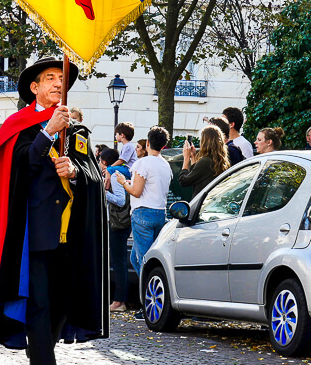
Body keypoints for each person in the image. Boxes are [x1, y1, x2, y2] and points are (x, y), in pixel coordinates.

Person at [0, 57, 107, 365]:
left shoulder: (77, 130)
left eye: (60, 79)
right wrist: (48, 131)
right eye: (49, 78)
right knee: (39, 301)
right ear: (35, 87)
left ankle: (39, 354)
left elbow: (94, 174)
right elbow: (21, 166)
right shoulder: (20, 125)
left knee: (62, 303)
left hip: (70, 232)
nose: (57, 84)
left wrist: (76, 173)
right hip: (31, 232)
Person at [115, 126, 171, 277]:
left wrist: (122, 182)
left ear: (148, 143)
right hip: (160, 213)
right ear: (163, 145)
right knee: (135, 258)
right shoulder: (166, 165)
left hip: (142, 213)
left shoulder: (143, 163)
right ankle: (149, 290)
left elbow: (136, 192)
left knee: (144, 261)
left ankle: (149, 296)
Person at [98, 147, 130, 313]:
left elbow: (120, 200)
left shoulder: (116, 176)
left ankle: (119, 301)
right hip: (118, 223)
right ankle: (118, 299)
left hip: (118, 224)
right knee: (118, 262)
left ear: (104, 162)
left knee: (119, 262)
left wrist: (104, 193)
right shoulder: (116, 173)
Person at [179, 126, 230, 197]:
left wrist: (186, 158)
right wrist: (193, 157)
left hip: (202, 204)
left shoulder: (205, 161)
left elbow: (184, 181)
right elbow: (197, 175)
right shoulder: (220, 161)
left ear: (204, 142)